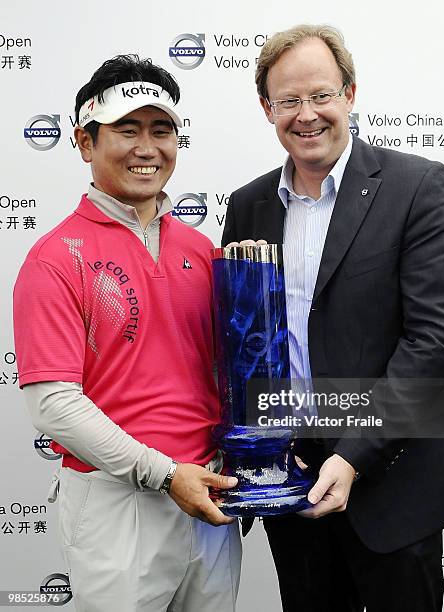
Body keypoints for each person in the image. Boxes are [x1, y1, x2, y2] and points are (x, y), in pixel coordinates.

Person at [222, 24, 444, 612]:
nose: (306, 114)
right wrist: (259, 450)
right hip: (289, 482)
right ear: (267, 109)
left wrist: (352, 456)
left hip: (393, 481)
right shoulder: (248, 206)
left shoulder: (416, 186)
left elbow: (433, 341)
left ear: (350, 94)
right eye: (288, 100)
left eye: (321, 95)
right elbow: (242, 341)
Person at [14, 54, 241, 612]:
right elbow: (54, 407)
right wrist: (164, 475)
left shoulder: (201, 250)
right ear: (86, 143)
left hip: (209, 495)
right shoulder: (53, 258)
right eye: (127, 130)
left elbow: (226, 373)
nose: (148, 148)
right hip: (119, 501)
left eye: (162, 131)